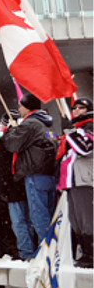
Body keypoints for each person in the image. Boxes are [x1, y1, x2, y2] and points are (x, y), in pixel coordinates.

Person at [3, 93, 57, 246]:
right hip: (50, 174)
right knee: (49, 213)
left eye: (20, 105)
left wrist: (11, 130)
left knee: (38, 215)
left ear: (27, 107)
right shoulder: (47, 124)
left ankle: (45, 250)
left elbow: (12, 144)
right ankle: (52, 247)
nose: (19, 108)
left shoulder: (31, 124)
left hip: (35, 174)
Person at [59, 97, 93, 268]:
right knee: (77, 220)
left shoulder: (90, 127)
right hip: (73, 181)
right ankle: (85, 252)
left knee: (87, 219)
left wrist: (71, 134)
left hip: (85, 180)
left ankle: (91, 254)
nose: (76, 110)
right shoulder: (79, 128)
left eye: (81, 108)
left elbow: (85, 148)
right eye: (74, 107)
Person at [0, 111, 34, 260]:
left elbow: (1, 167)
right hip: (28, 182)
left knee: (19, 221)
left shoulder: (6, 140)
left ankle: (26, 252)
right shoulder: (27, 136)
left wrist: (1, 188)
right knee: (31, 220)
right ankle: (35, 248)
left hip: (12, 186)